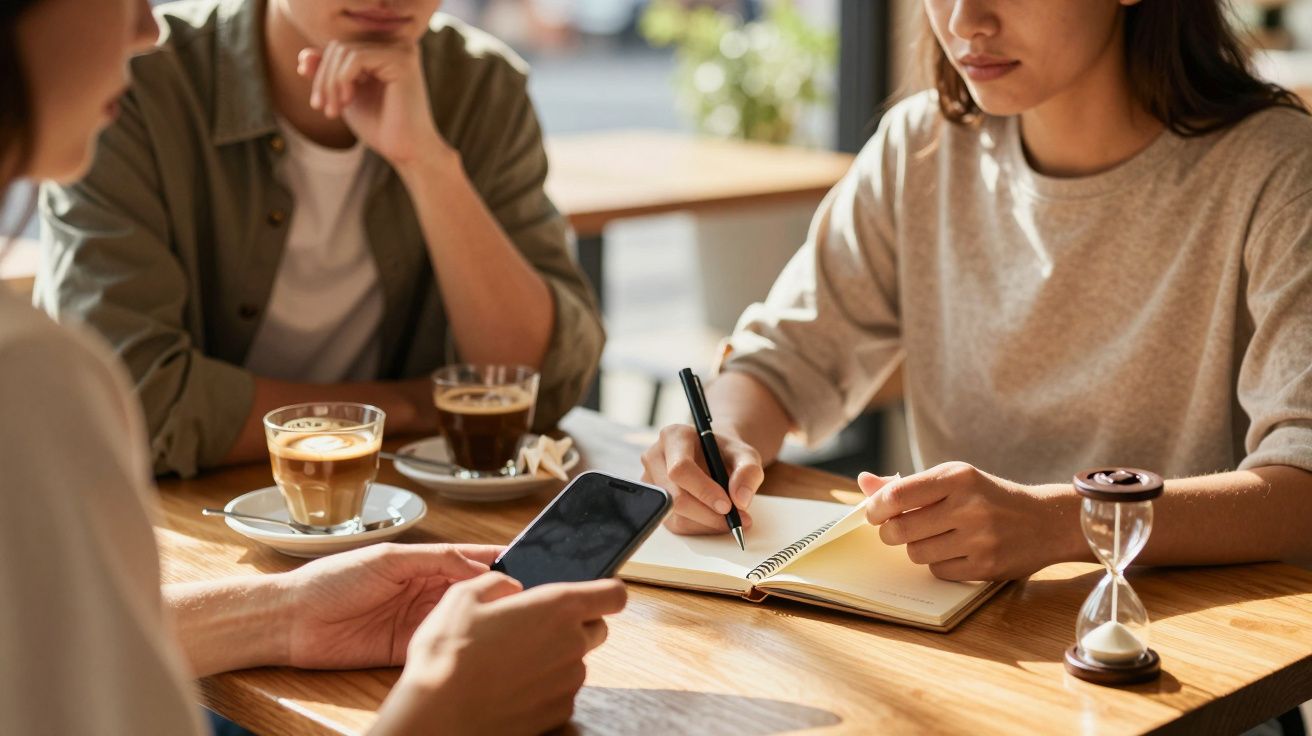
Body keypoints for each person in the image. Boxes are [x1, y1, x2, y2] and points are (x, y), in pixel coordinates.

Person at [0, 1, 624, 733]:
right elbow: (148, 398)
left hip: (314, 579)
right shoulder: (30, 375)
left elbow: (534, 385)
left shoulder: (479, 86)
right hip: (206, 556)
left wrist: (286, 613)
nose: (147, 27)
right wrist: (443, 717)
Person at [642, 0, 1312, 581]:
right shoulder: (921, 147)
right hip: (955, 639)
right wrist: (721, 439)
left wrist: (1063, 526)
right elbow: (783, 359)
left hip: (1183, 661)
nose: (965, 21)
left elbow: (1302, 488)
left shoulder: (1277, 170)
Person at [36, 0, 603, 478]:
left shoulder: (482, 87)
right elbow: (129, 401)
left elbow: (536, 385)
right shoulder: (135, 84)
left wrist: (427, 163)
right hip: (187, 522)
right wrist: (412, 405)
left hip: (409, 516)